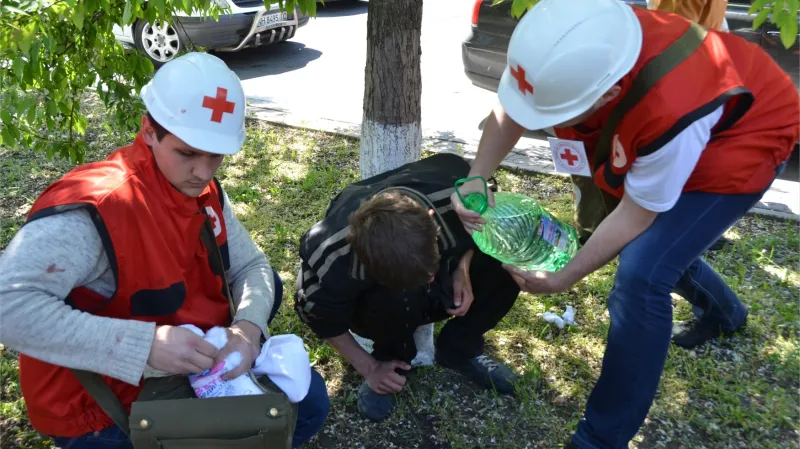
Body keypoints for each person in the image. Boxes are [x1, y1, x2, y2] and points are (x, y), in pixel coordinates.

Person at [451, 1, 799, 448]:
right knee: (664, 245)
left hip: (748, 132)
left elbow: (637, 213)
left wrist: (563, 277)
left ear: (608, 97)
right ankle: (725, 313)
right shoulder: (563, 43)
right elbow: (516, 105)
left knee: (641, 274)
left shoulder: (670, 112)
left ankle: (599, 438)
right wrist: (477, 175)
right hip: (684, 117)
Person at [0, 52, 329, 448]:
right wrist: (145, 348)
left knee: (310, 406)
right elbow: (9, 306)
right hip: (96, 404)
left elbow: (252, 266)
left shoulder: (203, 192)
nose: (204, 172)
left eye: (215, 156)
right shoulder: (98, 209)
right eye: (188, 153)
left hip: (189, 362)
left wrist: (247, 331)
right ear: (149, 131)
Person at [294, 153, 521, 422]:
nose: (429, 280)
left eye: (431, 268)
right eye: (423, 278)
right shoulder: (331, 257)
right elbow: (319, 316)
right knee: (394, 297)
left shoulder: (456, 198)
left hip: (443, 238)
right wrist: (369, 367)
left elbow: (489, 221)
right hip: (380, 298)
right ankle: (392, 361)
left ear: (432, 220)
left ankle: (460, 348)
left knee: (510, 258)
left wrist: (462, 268)